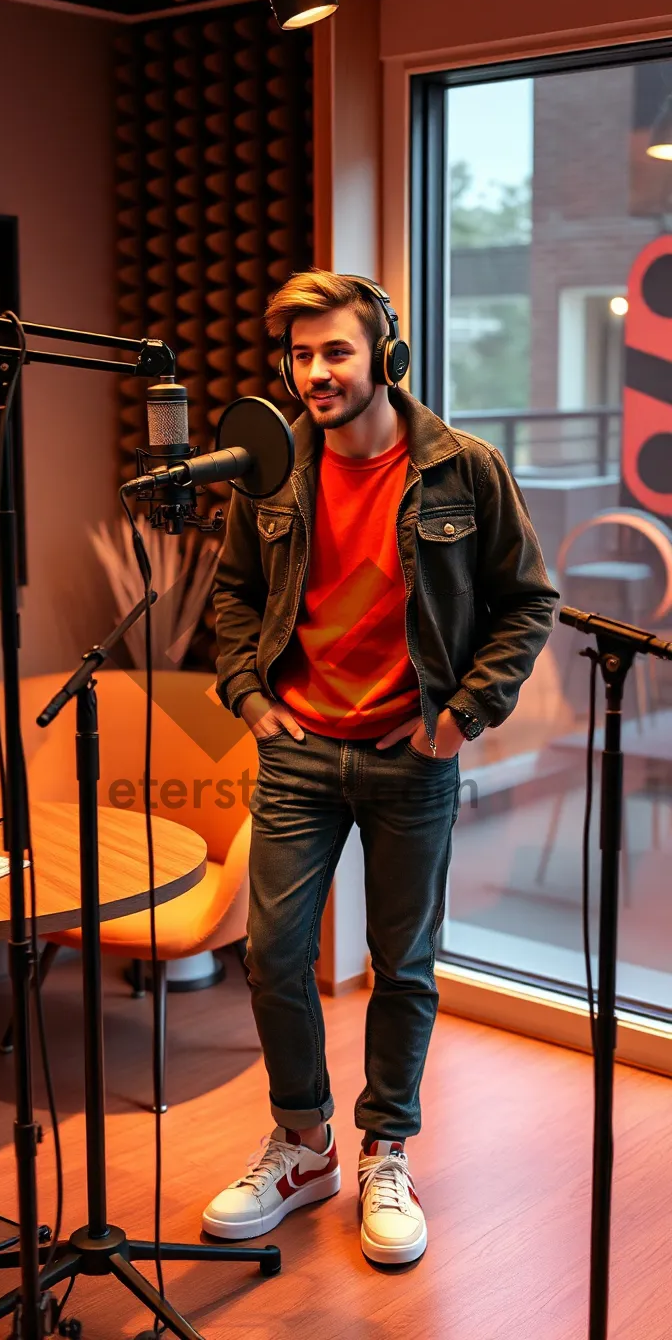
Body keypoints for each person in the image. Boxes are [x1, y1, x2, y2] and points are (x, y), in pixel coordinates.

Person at [203, 269, 558, 1265]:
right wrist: (250, 700)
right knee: (273, 957)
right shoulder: (271, 471)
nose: (316, 372)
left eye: (336, 352)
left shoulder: (465, 469)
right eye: (302, 354)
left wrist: (462, 719)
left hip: (413, 754)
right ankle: (304, 1143)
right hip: (299, 751)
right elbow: (235, 595)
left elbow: (527, 601)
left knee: (402, 967)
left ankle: (385, 1151)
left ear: (386, 358)